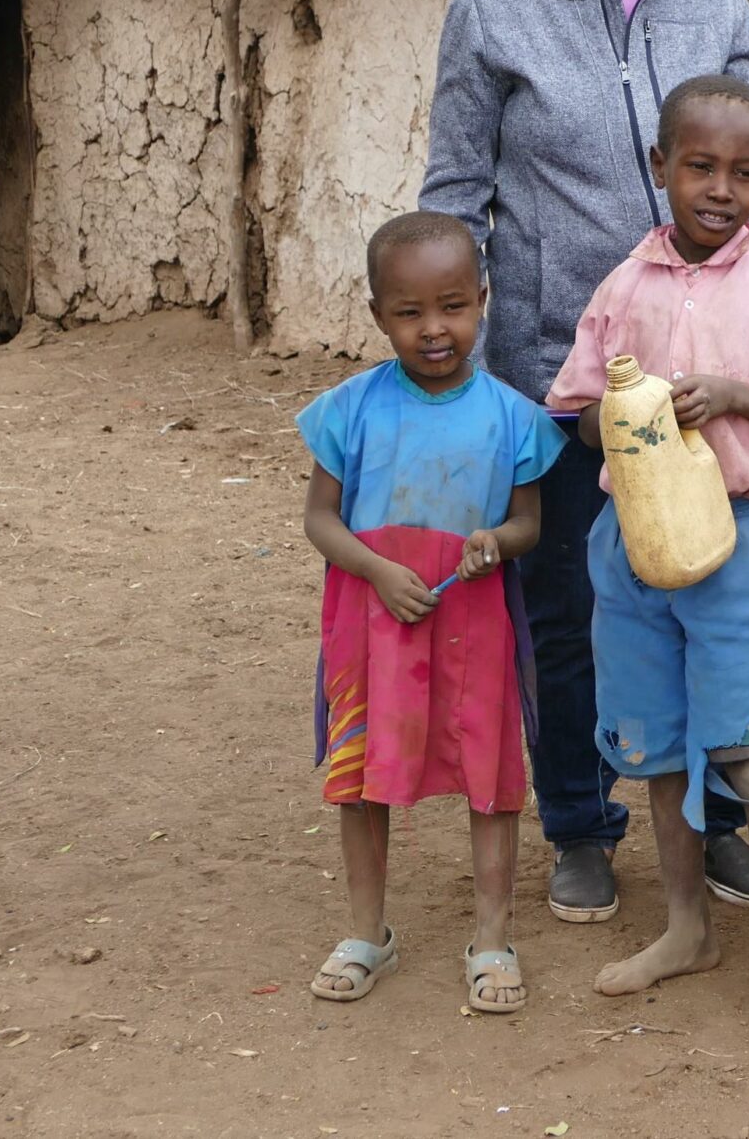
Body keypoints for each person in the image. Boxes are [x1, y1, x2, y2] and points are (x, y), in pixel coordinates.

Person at [422, 0, 749, 923]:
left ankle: (719, 817)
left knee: (722, 590)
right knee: (571, 606)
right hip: (561, 373)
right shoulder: (491, 9)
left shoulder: (719, 1)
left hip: (706, 376)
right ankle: (581, 822)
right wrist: (478, 376)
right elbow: (455, 198)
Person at [545, 75, 749, 1065]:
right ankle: (685, 924)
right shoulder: (623, 287)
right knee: (657, 741)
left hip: (745, 544)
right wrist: (626, 409)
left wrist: (731, 396)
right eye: (699, 166)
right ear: (660, 167)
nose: (720, 189)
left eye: (744, 173)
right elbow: (578, 409)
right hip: (636, 543)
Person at [298, 212, 566, 1014]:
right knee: (361, 777)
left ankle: (492, 937)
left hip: (471, 623)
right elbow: (320, 520)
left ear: (483, 301)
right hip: (370, 623)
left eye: (452, 305)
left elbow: (530, 525)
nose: (434, 328)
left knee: (487, 773)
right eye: (409, 312)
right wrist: (378, 571)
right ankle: (365, 932)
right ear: (378, 314)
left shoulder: (515, 417)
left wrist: (494, 541)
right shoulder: (347, 410)